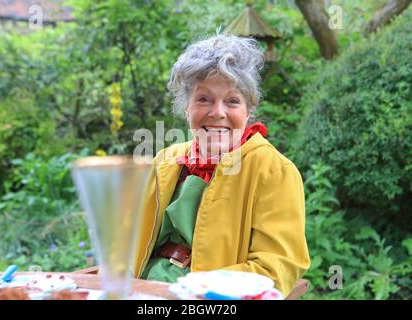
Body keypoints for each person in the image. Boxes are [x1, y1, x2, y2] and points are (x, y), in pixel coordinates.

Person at [132, 34, 310, 297]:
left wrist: (198, 291)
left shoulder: (274, 171)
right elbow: (127, 245)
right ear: (186, 107)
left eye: (232, 101)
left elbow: (277, 267)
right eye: (203, 99)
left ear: (248, 110)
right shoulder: (164, 162)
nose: (217, 112)